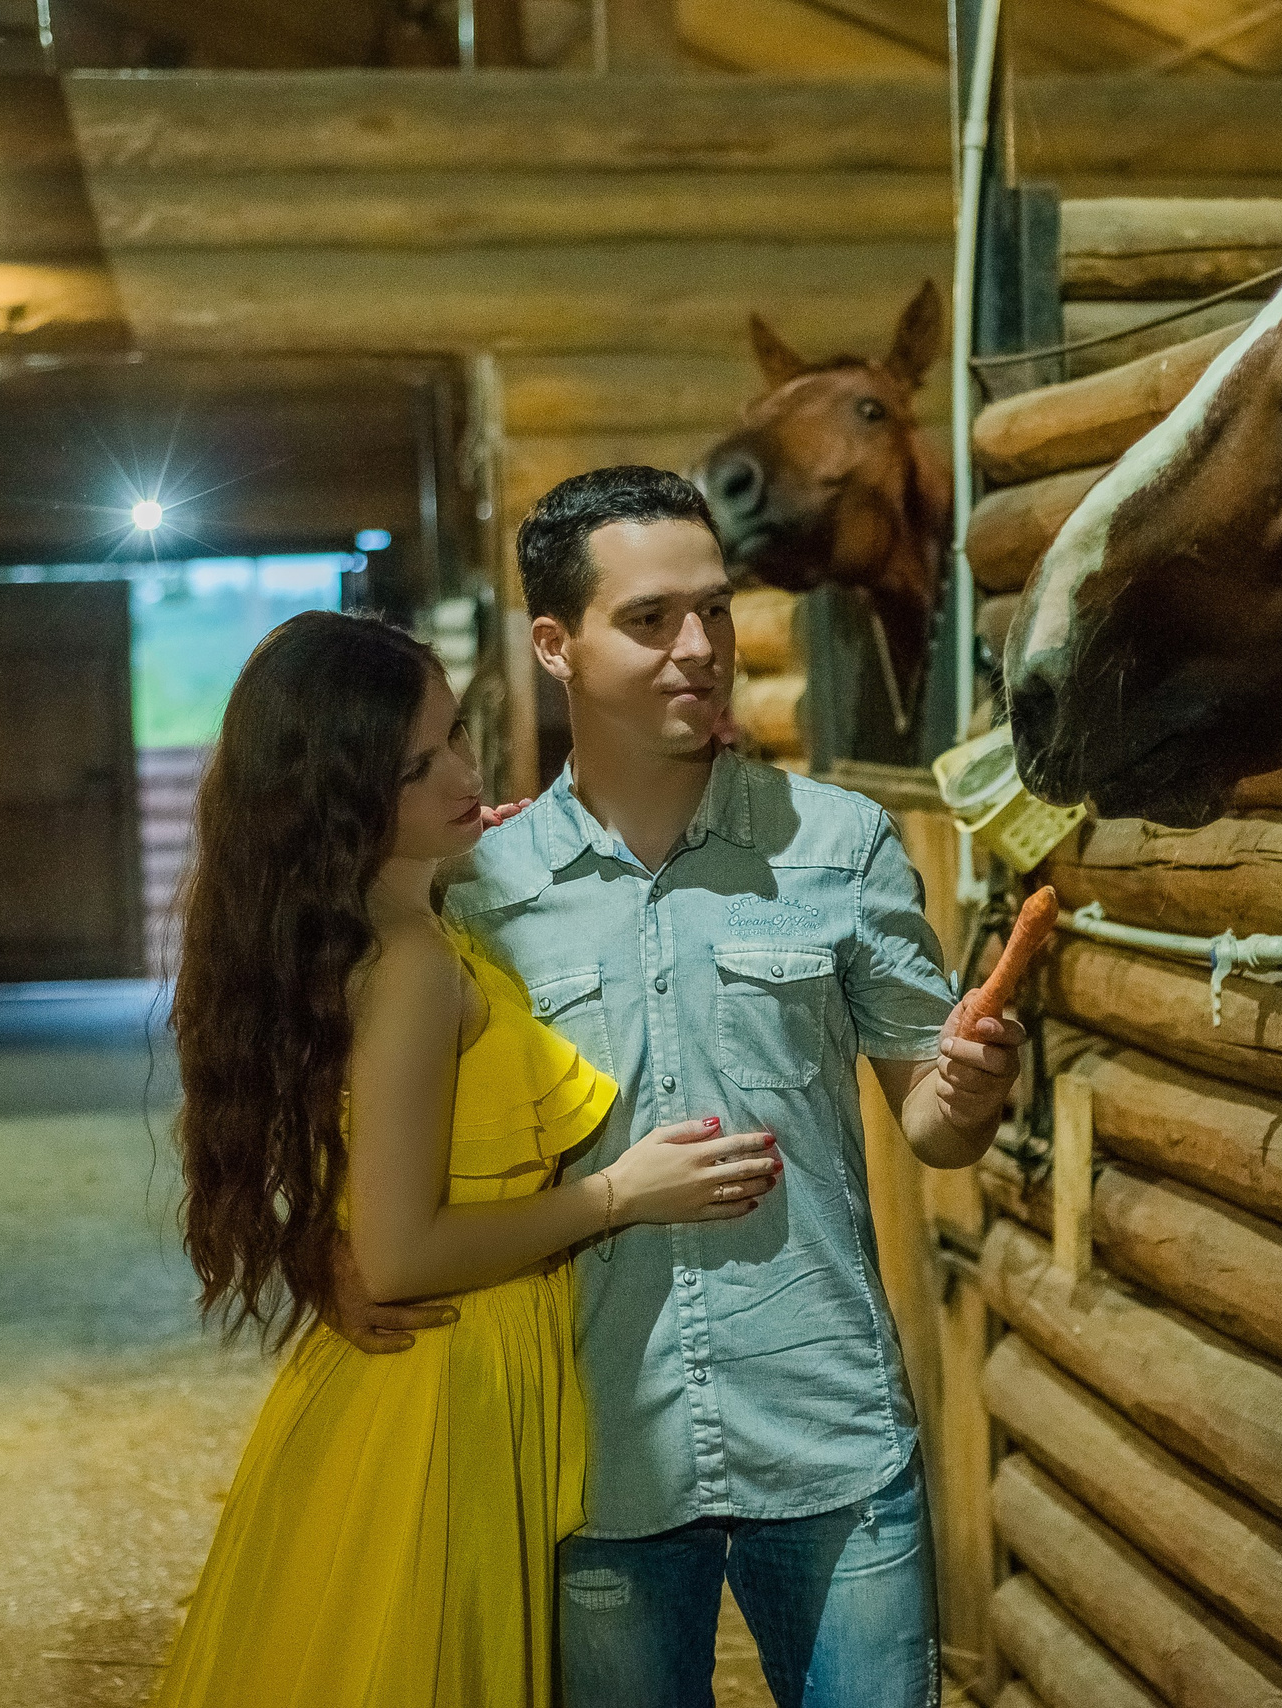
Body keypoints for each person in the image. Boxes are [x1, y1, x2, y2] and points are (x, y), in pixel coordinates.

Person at [332, 467, 1026, 1708]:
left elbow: (931, 1124)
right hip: (598, 1453)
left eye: (713, 610)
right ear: (556, 642)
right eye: (650, 619)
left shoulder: (840, 845)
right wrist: (329, 1244)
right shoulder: (474, 890)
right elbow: (366, 1120)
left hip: (829, 1438)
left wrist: (968, 1089)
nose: (700, 649)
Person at [154, 610, 784, 1708]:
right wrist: (617, 1193)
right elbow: (398, 1256)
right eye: (418, 766)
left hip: (459, 1367)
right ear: (340, 800)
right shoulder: (403, 966)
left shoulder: (402, 917)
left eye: (454, 734)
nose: (464, 771)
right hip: (443, 1383)